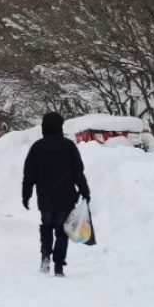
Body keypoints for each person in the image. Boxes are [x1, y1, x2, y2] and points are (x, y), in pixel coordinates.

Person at [22, 112, 91, 277]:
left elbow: (29, 174)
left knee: (46, 227)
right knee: (61, 231)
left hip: (45, 197)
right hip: (65, 197)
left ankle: (45, 256)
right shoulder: (69, 146)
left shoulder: (37, 147)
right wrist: (85, 190)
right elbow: (78, 172)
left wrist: (27, 194)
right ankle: (59, 264)